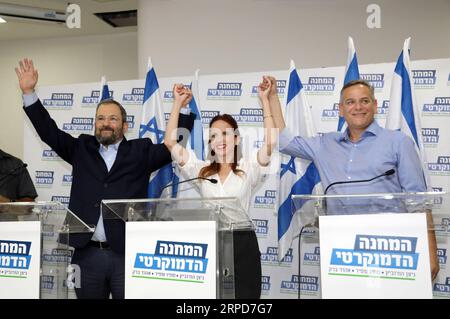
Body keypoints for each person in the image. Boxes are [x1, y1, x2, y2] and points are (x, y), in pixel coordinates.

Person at [15, 58, 195, 299]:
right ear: (94, 124)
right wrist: (29, 93)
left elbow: (176, 144)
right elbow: (49, 132)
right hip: (86, 255)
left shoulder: (140, 151)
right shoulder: (81, 148)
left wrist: (182, 109)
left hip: (127, 254)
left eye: (112, 119)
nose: (105, 124)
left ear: (125, 124)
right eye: (100, 119)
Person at [267, 77, 439, 280]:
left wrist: (431, 253)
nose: (358, 107)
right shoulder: (325, 144)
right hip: (342, 248)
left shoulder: (399, 142)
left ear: (375, 106)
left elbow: (417, 200)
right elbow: (284, 141)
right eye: (350, 102)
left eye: (364, 101)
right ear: (341, 109)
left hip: (391, 246)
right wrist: (272, 98)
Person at [163, 77, 277, 299]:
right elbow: (170, 142)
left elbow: (270, 143)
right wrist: (177, 104)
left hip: (243, 242)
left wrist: (265, 100)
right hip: (212, 241)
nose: (219, 139)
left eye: (225, 133)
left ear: (236, 139)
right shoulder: (201, 170)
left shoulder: (249, 166)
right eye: (213, 135)